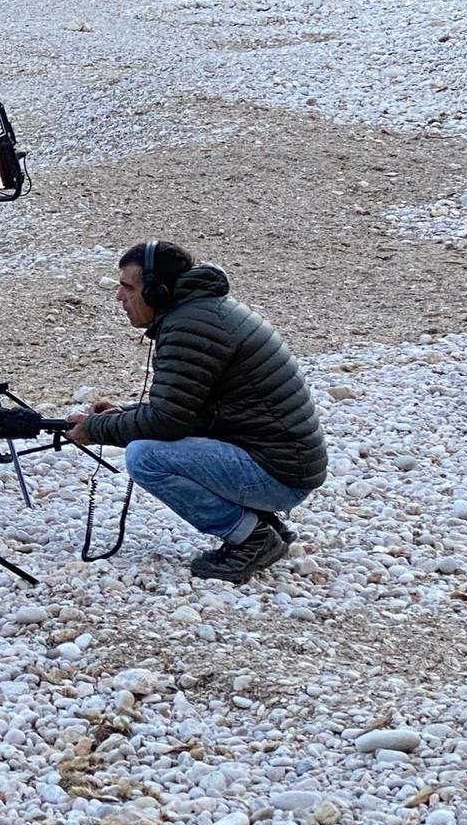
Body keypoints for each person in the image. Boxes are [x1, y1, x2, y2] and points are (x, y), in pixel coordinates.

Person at [68, 240, 326, 583]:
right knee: (149, 444)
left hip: (279, 473)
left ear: (158, 291)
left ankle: (252, 538)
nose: (119, 296)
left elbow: (167, 422)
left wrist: (98, 429)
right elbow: (187, 410)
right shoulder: (202, 313)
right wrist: (119, 416)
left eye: (127, 287)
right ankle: (265, 524)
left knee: (145, 457)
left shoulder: (189, 327)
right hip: (286, 463)